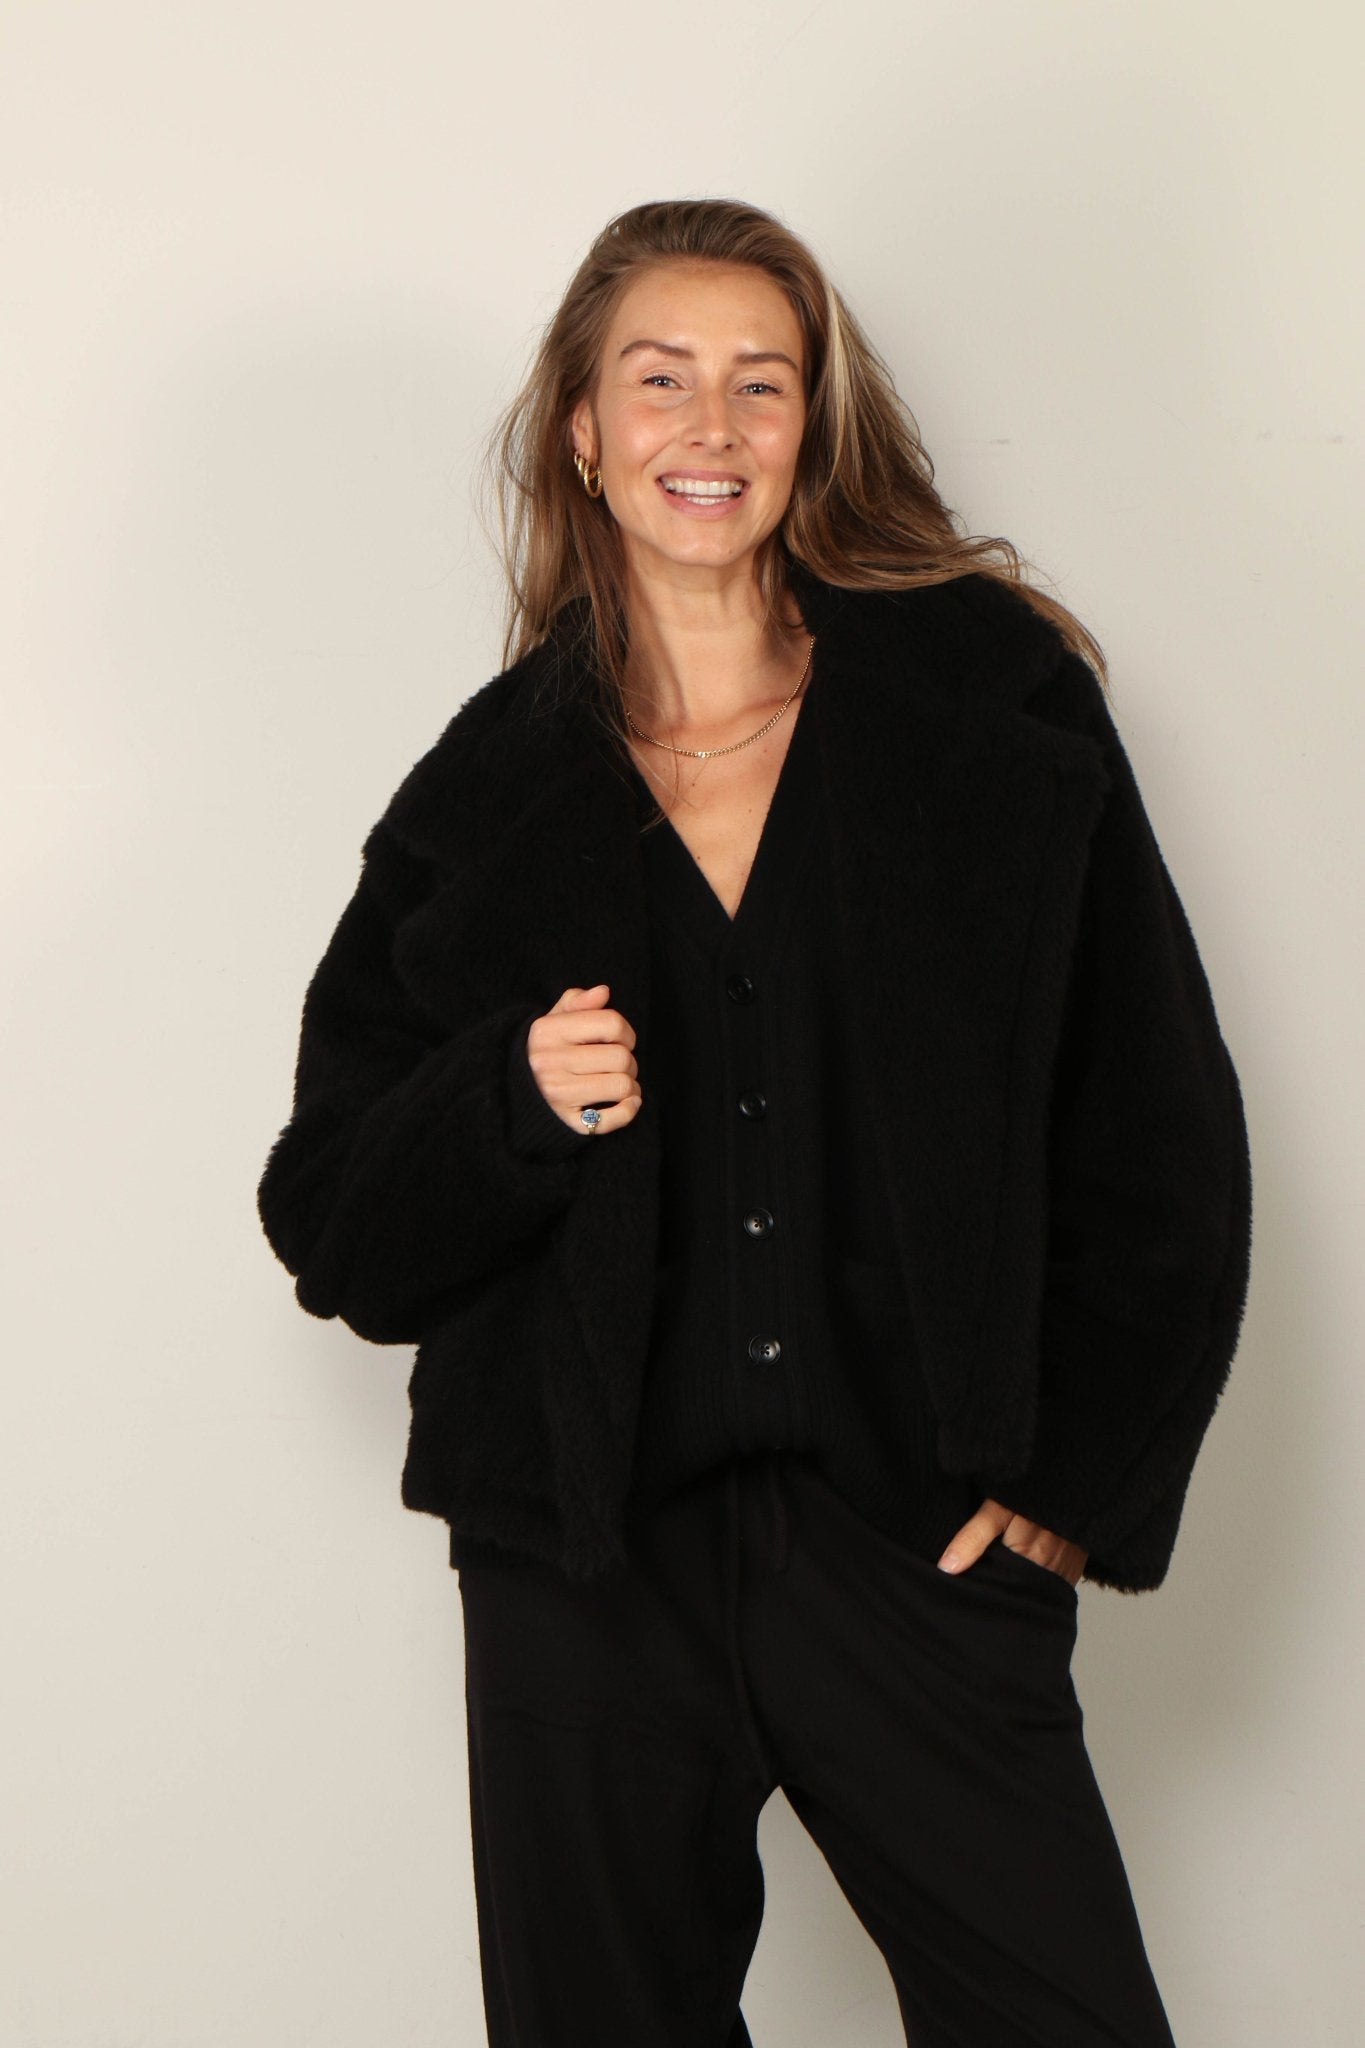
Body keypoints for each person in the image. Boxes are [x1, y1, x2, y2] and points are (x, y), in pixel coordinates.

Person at [257, 198, 1253, 2047]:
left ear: (811, 425)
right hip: (586, 1576)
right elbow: (331, 1221)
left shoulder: (989, 705)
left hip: (912, 1539)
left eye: (758, 383)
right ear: (582, 428)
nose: (707, 427)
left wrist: (1072, 1483)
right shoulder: (486, 793)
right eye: (659, 381)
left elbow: (1156, 1122)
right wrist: (504, 1101)